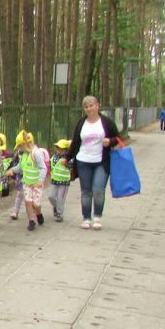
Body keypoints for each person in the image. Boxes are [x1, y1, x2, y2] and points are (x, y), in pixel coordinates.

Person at [67, 95, 121, 230]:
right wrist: (67, 158)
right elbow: (75, 142)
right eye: (86, 107)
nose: (89, 109)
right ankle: (86, 218)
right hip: (83, 161)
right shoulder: (81, 123)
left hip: (101, 162)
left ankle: (97, 217)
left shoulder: (106, 122)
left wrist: (110, 141)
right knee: (86, 191)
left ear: (97, 106)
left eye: (91, 106)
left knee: (98, 189)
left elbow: (117, 138)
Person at [6, 131, 48, 230]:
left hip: (36, 184)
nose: (19, 148)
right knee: (28, 202)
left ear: (26, 144)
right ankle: (31, 220)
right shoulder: (23, 155)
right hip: (27, 184)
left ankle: (38, 213)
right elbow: (20, 167)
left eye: (20, 146)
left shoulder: (36, 153)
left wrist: (40, 180)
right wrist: (12, 170)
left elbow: (43, 168)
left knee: (36, 204)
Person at [47, 139, 72, 222]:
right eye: (57, 148)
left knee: (61, 199)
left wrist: (67, 163)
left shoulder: (68, 158)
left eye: (61, 148)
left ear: (66, 150)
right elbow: (50, 165)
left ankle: (60, 214)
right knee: (51, 196)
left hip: (64, 182)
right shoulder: (54, 157)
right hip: (54, 181)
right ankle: (56, 207)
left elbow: (72, 166)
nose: (58, 150)